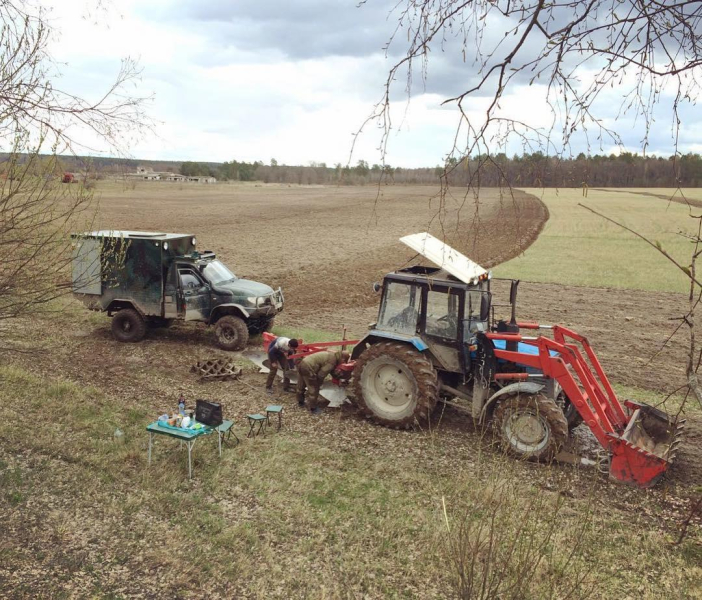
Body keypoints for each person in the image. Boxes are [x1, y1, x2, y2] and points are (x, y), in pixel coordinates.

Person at [296, 350, 351, 414]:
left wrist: (337, 376)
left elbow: (331, 370)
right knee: (314, 388)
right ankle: (313, 408)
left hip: (303, 363)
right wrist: (318, 384)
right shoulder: (332, 361)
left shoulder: (332, 356)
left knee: (301, 384)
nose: (342, 363)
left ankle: (300, 402)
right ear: (342, 358)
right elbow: (321, 374)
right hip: (309, 368)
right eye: (344, 361)